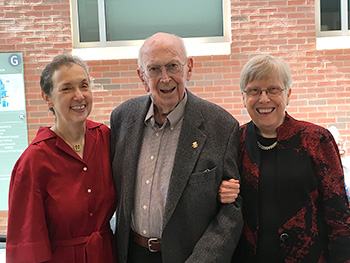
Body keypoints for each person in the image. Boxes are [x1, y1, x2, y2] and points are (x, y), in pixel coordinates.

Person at [110, 32, 243, 263]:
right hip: (131, 254)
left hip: (189, 257)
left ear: (188, 68)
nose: (165, 78)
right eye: (154, 69)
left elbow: (232, 211)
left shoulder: (221, 126)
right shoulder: (122, 119)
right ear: (142, 76)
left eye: (173, 66)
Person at [220, 54, 350, 262]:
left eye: (273, 89)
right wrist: (220, 191)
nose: (264, 99)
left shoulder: (316, 140)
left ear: (288, 94)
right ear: (244, 97)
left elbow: (339, 215)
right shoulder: (236, 142)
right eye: (255, 90)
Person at [6, 54, 117, 262]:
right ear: (47, 97)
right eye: (67, 88)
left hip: (106, 255)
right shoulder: (34, 161)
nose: (79, 96)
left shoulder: (105, 138)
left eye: (84, 86)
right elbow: (26, 246)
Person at [328, 126, 350, 203]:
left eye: (341, 143)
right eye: (338, 144)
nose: (342, 148)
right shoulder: (326, 168)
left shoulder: (347, 163)